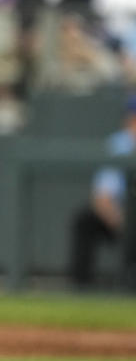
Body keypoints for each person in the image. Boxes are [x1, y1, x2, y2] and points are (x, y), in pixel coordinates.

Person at [69, 97, 136, 287]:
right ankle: (80, 288)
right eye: (132, 118)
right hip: (119, 216)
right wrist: (123, 222)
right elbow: (102, 197)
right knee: (84, 220)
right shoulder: (118, 144)